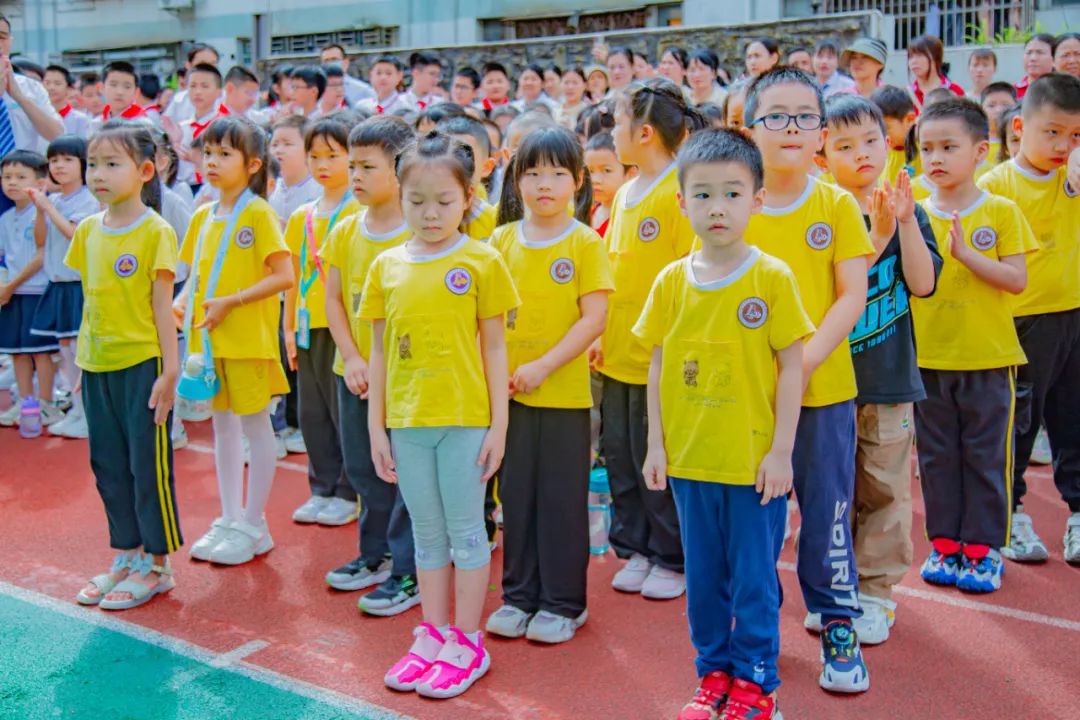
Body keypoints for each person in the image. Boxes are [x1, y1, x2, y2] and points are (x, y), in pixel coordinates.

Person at [638, 128, 811, 720]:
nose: (717, 207)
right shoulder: (670, 282)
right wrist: (656, 445)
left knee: (754, 581)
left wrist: (781, 452)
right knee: (704, 578)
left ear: (757, 200)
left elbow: (793, 366)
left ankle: (757, 683)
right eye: (703, 194)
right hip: (690, 463)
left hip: (751, 465)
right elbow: (657, 364)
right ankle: (712, 673)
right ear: (681, 201)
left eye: (733, 194)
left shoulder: (772, 278)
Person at [362, 131, 519, 699]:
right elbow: (379, 350)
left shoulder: (482, 260)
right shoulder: (386, 266)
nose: (431, 214)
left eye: (445, 202)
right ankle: (431, 634)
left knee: (467, 532)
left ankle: (468, 641)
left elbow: (496, 348)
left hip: (466, 420)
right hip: (407, 422)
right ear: (399, 197)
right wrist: (376, 425)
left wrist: (499, 426)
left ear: (468, 198)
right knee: (426, 536)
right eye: (417, 201)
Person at [742, 67, 874, 693]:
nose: (790, 127)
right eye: (776, 115)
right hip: (750, 396)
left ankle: (838, 619)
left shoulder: (836, 203)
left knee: (827, 512)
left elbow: (852, 293)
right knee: (754, 517)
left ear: (821, 132)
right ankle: (757, 633)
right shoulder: (735, 201)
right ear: (749, 126)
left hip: (822, 392)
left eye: (803, 116)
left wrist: (803, 360)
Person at [819, 94, 943, 645]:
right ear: (822, 157)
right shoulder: (822, 216)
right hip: (830, 384)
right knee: (831, 490)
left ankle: (874, 593)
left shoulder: (907, 207)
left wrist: (906, 222)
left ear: (888, 143)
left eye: (869, 140)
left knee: (886, 490)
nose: (860, 154)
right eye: (843, 146)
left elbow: (922, 283)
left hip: (889, 381)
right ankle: (833, 591)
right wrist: (874, 239)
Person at [485, 125, 611, 644]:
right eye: (532, 173)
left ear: (577, 181)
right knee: (515, 498)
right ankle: (518, 595)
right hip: (507, 398)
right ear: (515, 179)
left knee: (560, 500)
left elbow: (594, 319)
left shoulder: (583, 242)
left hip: (563, 397)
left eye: (558, 173)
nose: (544, 184)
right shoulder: (499, 241)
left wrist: (543, 366)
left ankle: (563, 601)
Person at [917, 97, 1037, 597]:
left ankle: (985, 548)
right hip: (927, 360)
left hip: (989, 359)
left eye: (948, 146)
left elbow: (1016, 280)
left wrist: (967, 255)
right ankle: (945, 542)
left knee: (986, 455)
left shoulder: (1001, 210)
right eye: (926, 148)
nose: (936, 158)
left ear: (981, 151)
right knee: (937, 457)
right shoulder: (916, 213)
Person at [66, 121, 180, 610]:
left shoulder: (156, 231)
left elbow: (162, 307)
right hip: (96, 366)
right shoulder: (89, 229)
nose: (99, 174)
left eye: (113, 164)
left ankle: (157, 565)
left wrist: (170, 371)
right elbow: (91, 300)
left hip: (142, 366)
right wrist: (80, 365)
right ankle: (127, 555)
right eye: (93, 164)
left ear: (145, 170)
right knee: (108, 466)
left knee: (146, 466)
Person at [594, 79, 698, 601]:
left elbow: (687, 272)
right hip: (617, 351)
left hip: (659, 353)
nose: (612, 133)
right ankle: (634, 545)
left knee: (659, 457)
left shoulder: (678, 189)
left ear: (646, 132)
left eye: (616, 123)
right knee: (622, 453)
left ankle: (671, 554)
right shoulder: (628, 190)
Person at [173, 116, 293, 565]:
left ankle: (253, 521)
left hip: (247, 341)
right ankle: (229, 517)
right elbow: (197, 277)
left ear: (253, 164)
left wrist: (231, 302)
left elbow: (284, 275)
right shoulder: (204, 214)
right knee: (222, 428)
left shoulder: (258, 213)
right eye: (208, 153)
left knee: (255, 428)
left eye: (225, 154)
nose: (213, 162)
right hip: (209, 345)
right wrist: (181, 303)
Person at [978, 74, 1080, 566]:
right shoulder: (996, 184)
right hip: (1021, 323)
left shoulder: (1074, 179)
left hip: (1074, 317)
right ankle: (1011, 514)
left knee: (1073, 419)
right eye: (1054, 132)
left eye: (1077, 135)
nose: (1064, 145)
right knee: (1019, 424)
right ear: (1020, 127)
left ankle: (1077, 514)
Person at [321, 116, 418, 611]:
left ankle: (409, 570)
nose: (354, 175)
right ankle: (374, 554)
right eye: (350, 165)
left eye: (366, 166)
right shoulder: (343, 229)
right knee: (362, 467)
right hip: (354, 374)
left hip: (404, 381)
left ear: (400, 170)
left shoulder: (418, 233)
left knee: (401, 472)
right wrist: (353, 357)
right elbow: (333, 300)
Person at [284, 116, 362, 526]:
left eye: (333, 155)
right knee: (312, 410)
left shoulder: (358, 210)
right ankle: (322, 485)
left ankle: (349, 490)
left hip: (344, 326)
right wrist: (287, 329)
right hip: (306, 323)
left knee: (341, 410)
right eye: (314, 156)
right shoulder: (302, 216)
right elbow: (295, 277)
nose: (322, 164)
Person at [25, 135, 98, 439]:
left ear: (83, 164)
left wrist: (47, 206)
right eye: (54, 160)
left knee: (80, 352)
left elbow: (73, 234)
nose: (59, 166)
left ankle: (87, 415)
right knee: (66, 351)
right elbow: (41, 240)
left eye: (68, 159)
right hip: (57, 284)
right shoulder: (53, 200)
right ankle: (78, 411)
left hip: (78, 285)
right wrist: (42, 208)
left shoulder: (89, 198)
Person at [0, 150, 63, 429]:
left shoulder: (45, 213)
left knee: (41, 352)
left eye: (20, 177)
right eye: (6, 177)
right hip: (13, 293)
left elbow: (41, 255)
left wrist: (10, 286)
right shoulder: (5, 218)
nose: (12, 183)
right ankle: (25, 402)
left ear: (39, 182)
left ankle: (47, 403)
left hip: (36, 291)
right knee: (18, 351)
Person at [0, 12, 64, 159]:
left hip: (26, 176)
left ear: (10, 41)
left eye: (1, 37)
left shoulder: (31, 87)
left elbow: (57, 135)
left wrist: (21, 98)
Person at [439, 116, 498, 242]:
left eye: (463, 158)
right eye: (444, 158)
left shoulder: (496, 223)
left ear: (486, 167)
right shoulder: (418, 217)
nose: (453, 168)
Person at [584, 131, 632, 238]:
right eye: (590, 171)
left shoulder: (628, 217)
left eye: (606, 170)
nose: (595, 180)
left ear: (630, 174)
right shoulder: (586, 213)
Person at [870, 85, 919, 183]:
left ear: (910, 119)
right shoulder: (879, 153)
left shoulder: (925, 150)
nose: (881, 135)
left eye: (886, 128)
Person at [164, 43, 220, 128]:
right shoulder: (179, 101)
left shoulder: (226, 98)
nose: (208, 70)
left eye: (212, 64)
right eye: (202, 65)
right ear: (188, 65)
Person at [907, 35, 965, 114]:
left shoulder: (954, 91)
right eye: (910, 57)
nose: (914, 61)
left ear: (936, 58)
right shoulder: (906, 95)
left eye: (920, 56)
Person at [43, 65, 92, 138]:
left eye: (57, 83)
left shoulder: (80, 119)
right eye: (47, 83)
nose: (51, 87)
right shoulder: (35, 116)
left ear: (68, 88)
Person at [979, 81, 1017, 165]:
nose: (999, 110)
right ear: (981, 109)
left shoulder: (1021, 142)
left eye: (1005, 105)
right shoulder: (976, 143)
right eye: (991, 105)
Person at [1015, 34, 1056, 99]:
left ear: (1054, 58)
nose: (1033, 58)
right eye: (1028, 52)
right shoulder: (1013, 91)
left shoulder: (1062, 90)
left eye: (1040, 52)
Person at [556, 67, 590, 131]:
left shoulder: (588, 112)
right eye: (566, 82)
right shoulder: (554, 110)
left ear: (585, 85)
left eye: (575, 83)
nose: (570, 87)